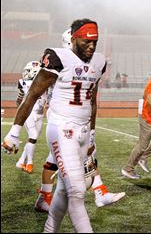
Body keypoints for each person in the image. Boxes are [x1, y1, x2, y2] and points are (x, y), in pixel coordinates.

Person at [2, 19, 109, 233]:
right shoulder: (59, 57)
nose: (92, 46)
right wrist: (14, 132)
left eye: (95, 42)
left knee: (62, 188)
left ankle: (49, 230)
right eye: (87, 41)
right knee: (77, 191)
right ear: (74, 38)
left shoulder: (99, 61)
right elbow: (32, 94)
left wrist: (93, 133)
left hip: (83, 131)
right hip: (61, 128)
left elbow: (93, 101)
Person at [35, 28, 125, 212]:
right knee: (58, 159)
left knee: (86, 153)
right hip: (62, 120)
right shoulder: (60, 63)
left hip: (73, 119)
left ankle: (99, 191)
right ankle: (47, 198)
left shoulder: (74, 64)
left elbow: (90, 97)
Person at [15, 61, 47, 174]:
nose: (25, 74)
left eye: (28, 71)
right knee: (33, 136)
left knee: (32, 140)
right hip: (29, 114)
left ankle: (20, 162)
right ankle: (29, 163)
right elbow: (18, 100)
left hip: (39, 115)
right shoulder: (24, 83)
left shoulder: (45, 83)